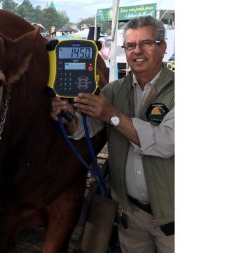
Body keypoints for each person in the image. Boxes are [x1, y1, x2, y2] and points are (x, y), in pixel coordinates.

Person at [50, 15, 174, 253]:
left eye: (146, 43)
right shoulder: (114, 90)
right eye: (130, 45)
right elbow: (87, 128)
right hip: (131, 215)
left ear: (163, 47)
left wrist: (113, 116)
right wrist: (68, 117)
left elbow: (166, 143)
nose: (137, 51)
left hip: (174, 219)